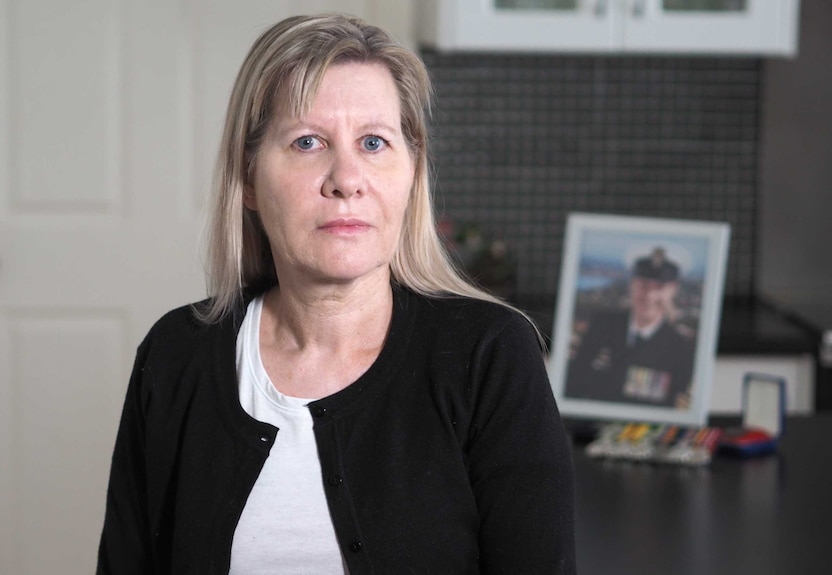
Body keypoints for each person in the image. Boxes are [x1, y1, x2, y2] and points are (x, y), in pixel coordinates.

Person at [97, 13, 576, 574]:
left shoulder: (490, 356)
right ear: (249, 178)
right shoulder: (175, 355)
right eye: (307, 142)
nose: (346, 178)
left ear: (411, 172)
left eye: (374, 142)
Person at [565, 247, 695, 408]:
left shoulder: (680, 348)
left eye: (659, 287)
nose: (649, 295)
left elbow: (675, 404)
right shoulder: (602, 326)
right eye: (644, 285)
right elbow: (574, 380)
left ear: (672, 290)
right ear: (632, 284)